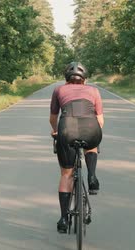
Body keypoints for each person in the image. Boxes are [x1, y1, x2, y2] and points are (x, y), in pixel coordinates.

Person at [50, 62, 104, 233]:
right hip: (91, 128)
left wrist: (55, 132)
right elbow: (100, 121)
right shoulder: (94, 91)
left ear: (67, 79)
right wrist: (94, 135)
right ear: (85, 79)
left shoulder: (59, 90)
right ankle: (92, 178)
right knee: (92, 145)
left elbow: (53, 118)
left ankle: (64, 218)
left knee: (66, 173)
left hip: (67, 128)